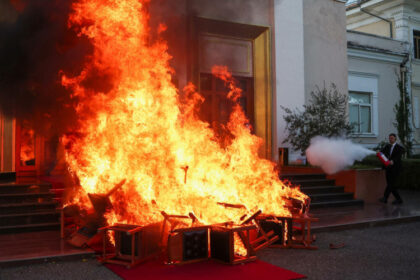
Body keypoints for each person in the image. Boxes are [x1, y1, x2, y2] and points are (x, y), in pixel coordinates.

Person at [379, 133, 404, 205]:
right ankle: (399, 199)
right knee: (391, 185)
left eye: (392, 138)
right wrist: (378, 153)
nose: (390, 139)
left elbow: (398, 156)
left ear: (395, 139)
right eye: (389, 138)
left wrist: (393, 161)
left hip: (396, 169)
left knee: (391, 184)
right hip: (388, 169)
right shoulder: (387, 146)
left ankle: (385, 198)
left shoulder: (399, 147)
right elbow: (382, 152)